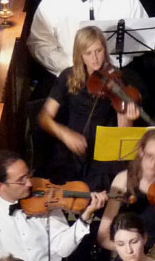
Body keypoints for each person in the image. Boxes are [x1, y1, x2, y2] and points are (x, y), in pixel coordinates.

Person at [28, 0, 151, 92]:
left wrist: (112, 63)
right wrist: (71, 67)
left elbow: (143, 40)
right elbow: (39, 44)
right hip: (72, 74)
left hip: (117, 73)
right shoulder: (53, 1)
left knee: (142, 95)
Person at [0, 150, 106, 261]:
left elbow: (63, 248)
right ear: (1, 186)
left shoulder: (43, 194)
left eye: (29, 175)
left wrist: (86, 216)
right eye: (21, 180)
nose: (29, 183)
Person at [38, 25, 140, 190]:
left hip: (103, 152)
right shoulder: (68, 76)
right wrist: (65, 134)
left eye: (99, 51)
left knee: (108, 185)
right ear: (80, 55)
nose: (95, 58)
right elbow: (44, 117)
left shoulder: (116, 79)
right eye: (88, 53)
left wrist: (128, 117)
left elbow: (122, 131)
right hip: (72, 149)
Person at [96, 128, 155, 249]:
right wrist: (128, 251)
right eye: (150, 156)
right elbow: (103, 237)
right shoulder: (123, 180)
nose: (153, 163)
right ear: (141, 152)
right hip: (128, 252)